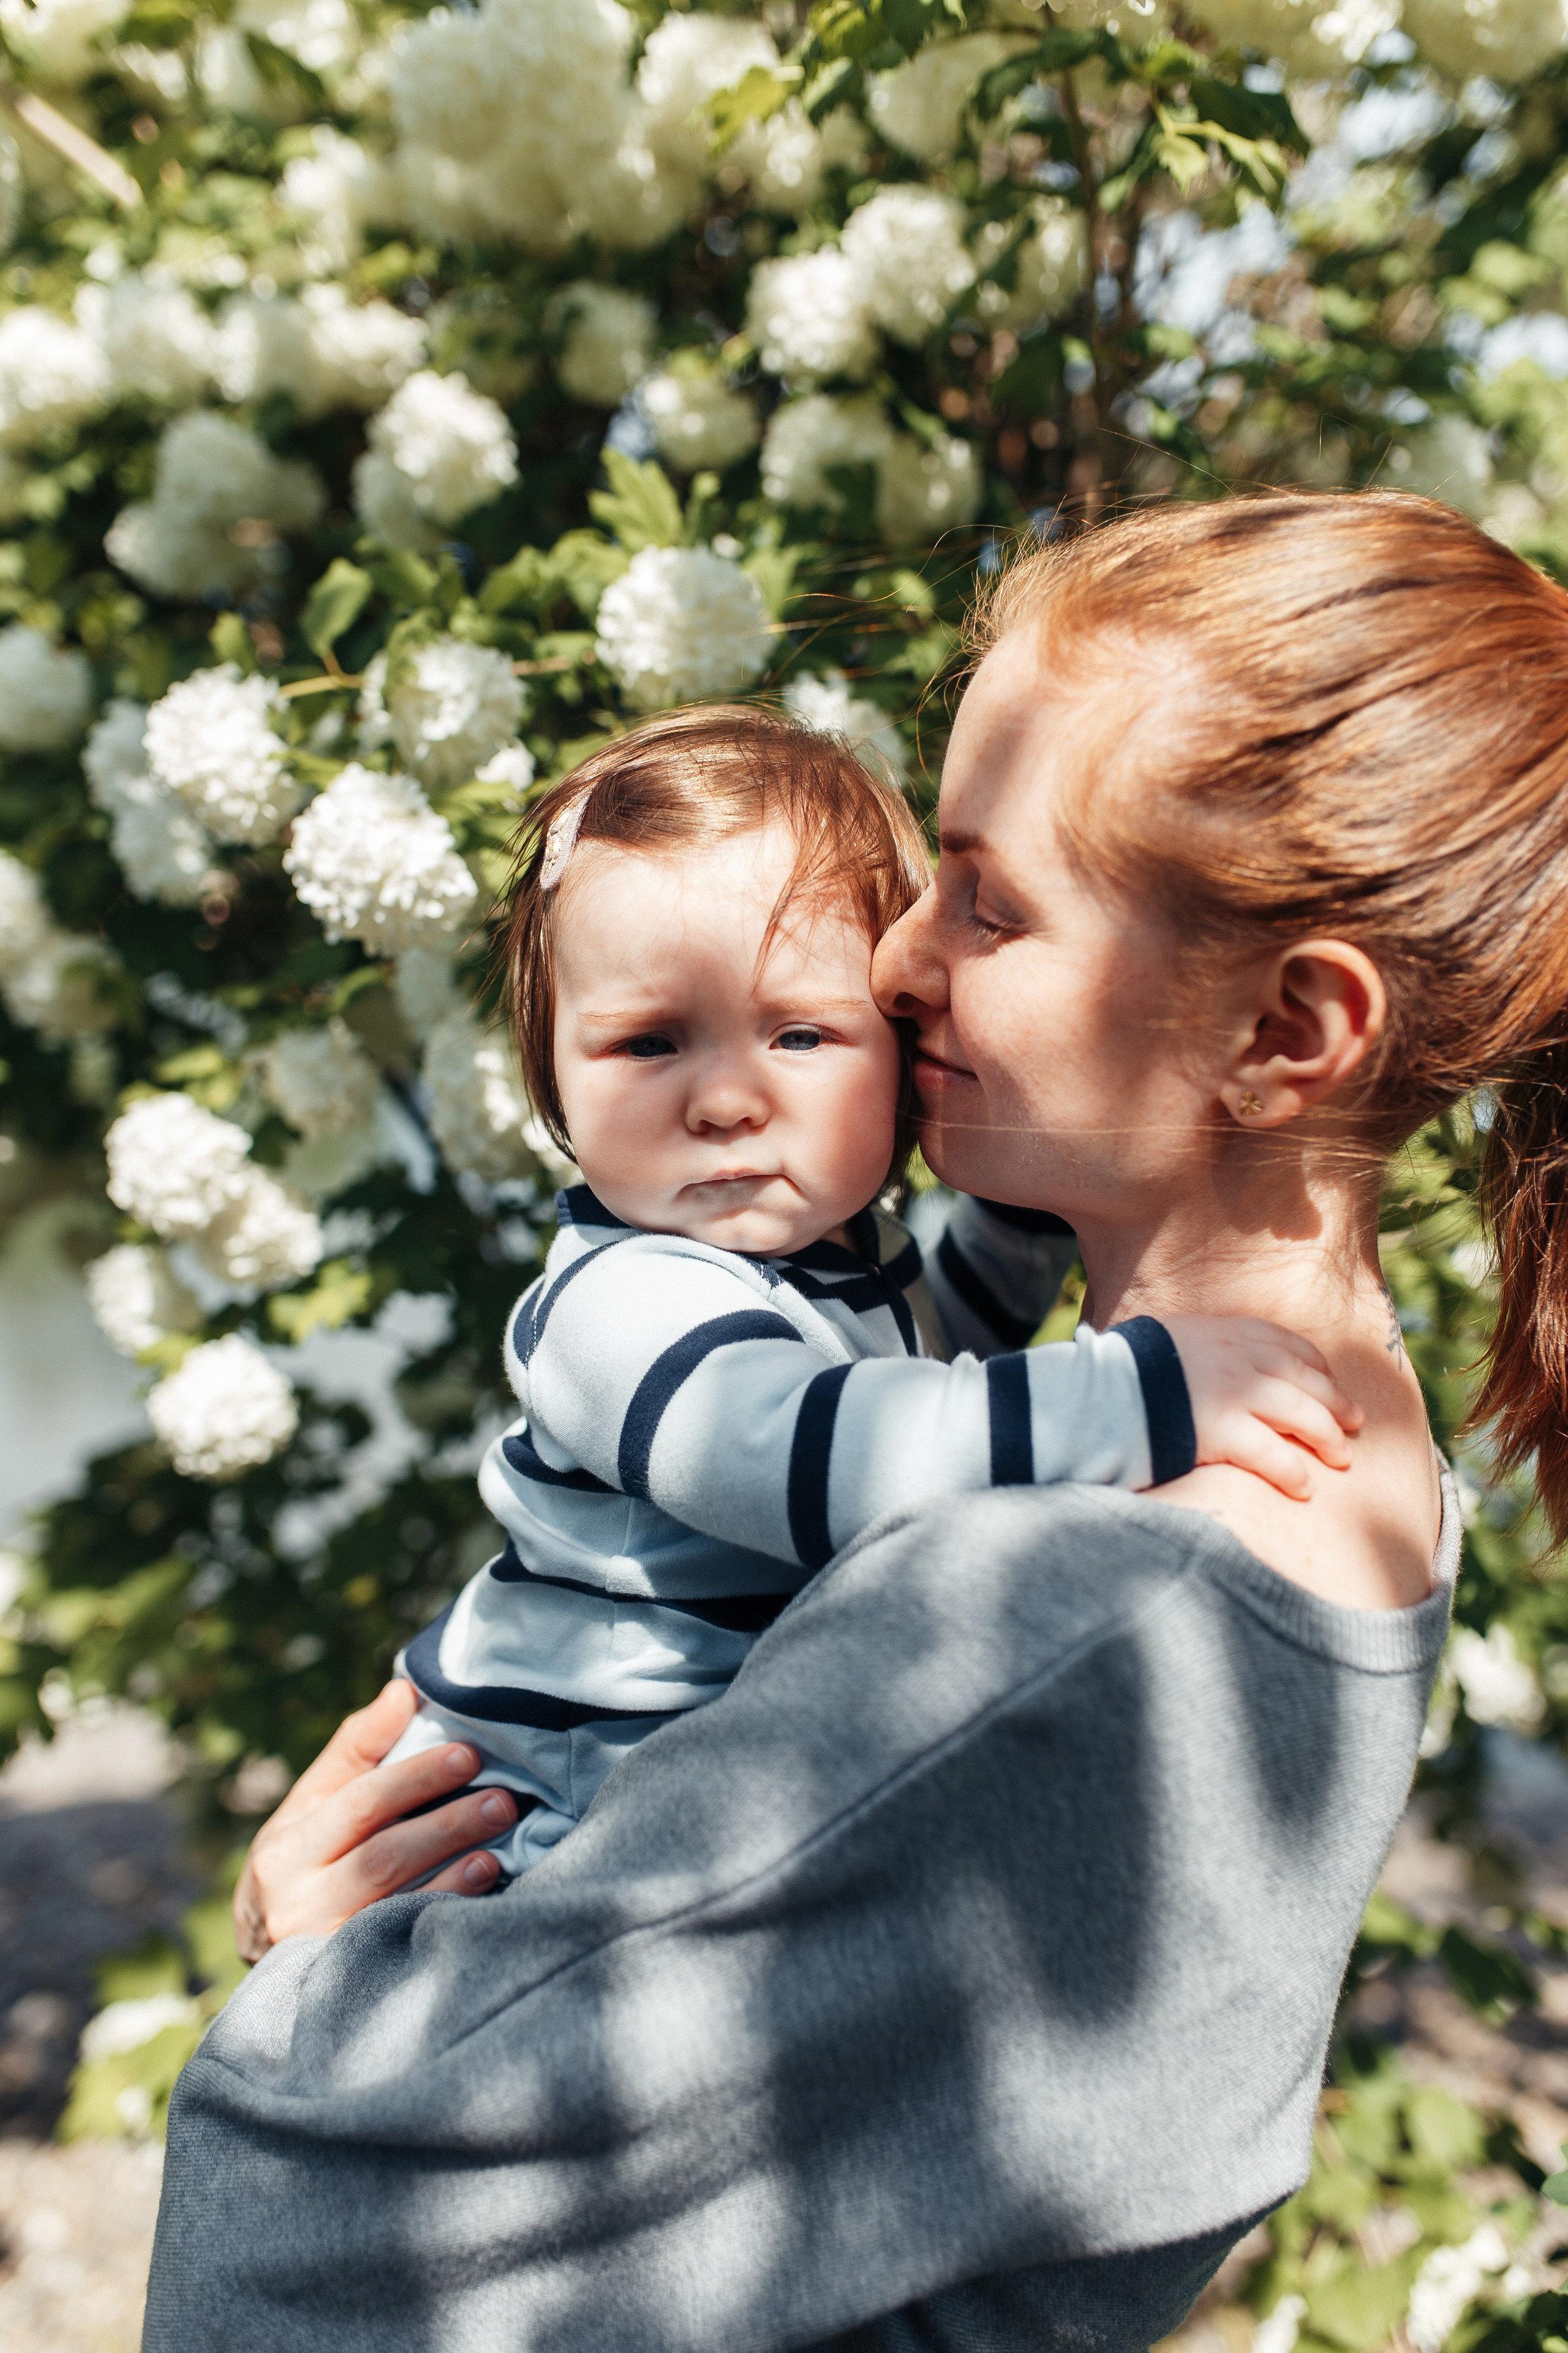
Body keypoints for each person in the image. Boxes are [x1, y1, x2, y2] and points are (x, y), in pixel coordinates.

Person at [148, 489, 1568, 2351]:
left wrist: (318, 1975)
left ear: (1289, 1031)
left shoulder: (1066, 1606)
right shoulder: (1346, 1483)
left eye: (987, 899)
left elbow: (305, 2226)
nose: (894, 965)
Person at [380, 708, 1355, 1876]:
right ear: (550, 1069)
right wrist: (1133, 1393)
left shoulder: (839, 1247)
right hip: (549, 1795)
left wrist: (1025, 1210)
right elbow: (825, 1452)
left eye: (799, 1034)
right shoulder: (618, 1310)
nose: (726, 1099)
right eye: (648, 1043)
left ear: (892, 1047)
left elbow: (931, 1366)